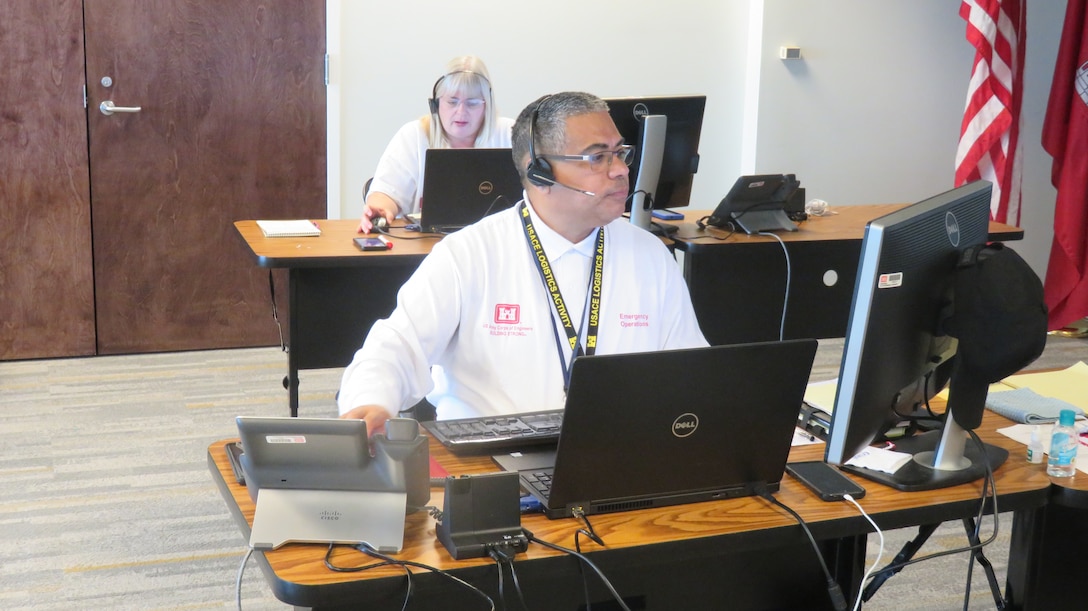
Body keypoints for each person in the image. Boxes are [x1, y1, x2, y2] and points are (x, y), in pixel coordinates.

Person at [339, 91, 708, 435]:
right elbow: (395, 347)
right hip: (490, 464)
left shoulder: (649, 255)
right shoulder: (470, 253)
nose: (620, 170)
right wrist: (371, 401)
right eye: (597, 157)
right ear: (540, 173)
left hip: (617, 455)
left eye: (620, 153)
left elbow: (692, 372)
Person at [358, 56, 514, 233]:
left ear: (487, 106)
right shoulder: (414, 136)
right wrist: (380, 209)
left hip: (497, 244)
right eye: (452, 102)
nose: (461, 112)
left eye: (472, 103)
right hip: (427, 249)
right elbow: (385, 193)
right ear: (435, 104)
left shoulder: (510, 134)